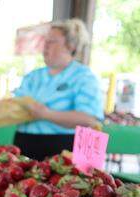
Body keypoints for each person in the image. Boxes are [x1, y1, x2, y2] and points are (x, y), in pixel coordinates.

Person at [12, 19, 103, 160]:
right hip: (24, 148)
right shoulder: (32, 77)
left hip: (64, 152)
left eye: (52, 41)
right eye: (45, 41)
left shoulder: (83, 77)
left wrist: (46, 114)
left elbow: (88, 119)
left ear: (70, 46)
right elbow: (15, 105)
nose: (45, 46)